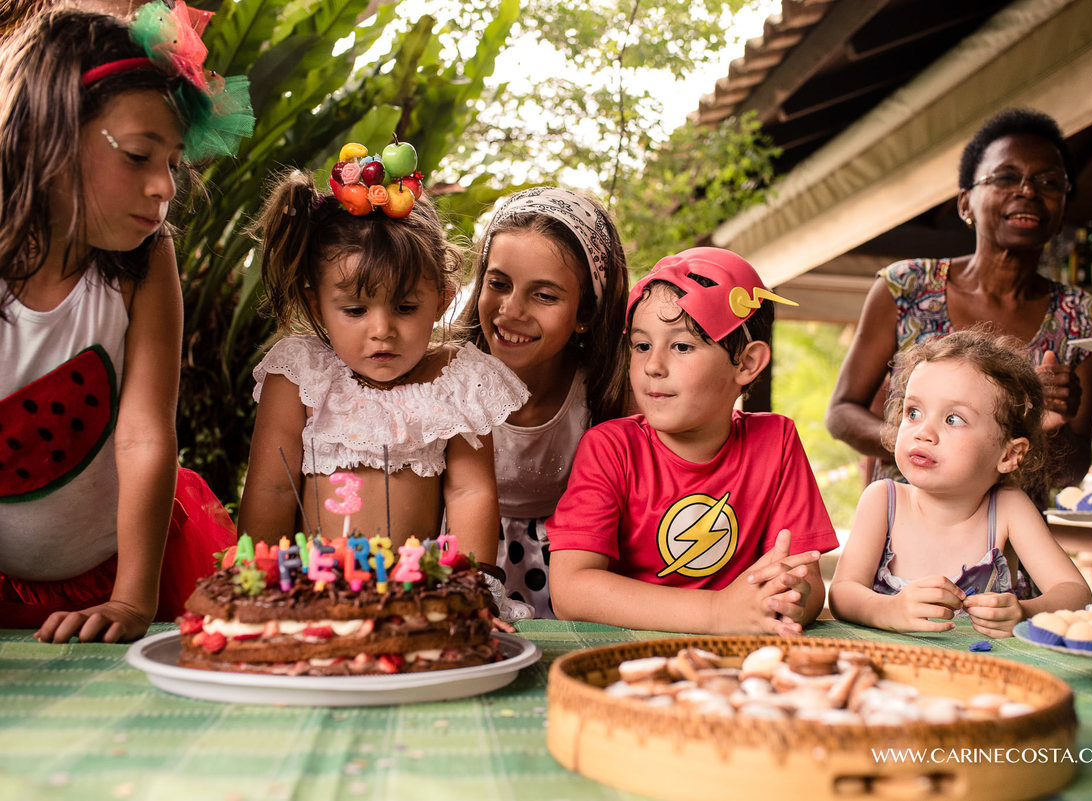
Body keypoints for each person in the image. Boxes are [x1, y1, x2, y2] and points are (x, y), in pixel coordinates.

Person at [0, 4, 253, 641]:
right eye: (140, 156)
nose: (165, 187)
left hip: (126, 569)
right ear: (45, 135)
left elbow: (144, 435)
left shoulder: (147, 257)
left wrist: (132, 602)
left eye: (171, 161)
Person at [237, 145, 529, 587]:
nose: (382, 330)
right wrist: (252, 583)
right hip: (314, 593)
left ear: (441, 300)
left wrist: (475, 585)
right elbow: (272, 488)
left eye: (406, 307)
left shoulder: (460, 382)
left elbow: (471, 492)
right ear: (317, 304)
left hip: (418, 596)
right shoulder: (299, 376)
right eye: (355, 310)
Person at [826, 108, 1092, 500]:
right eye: (1006, 177)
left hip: (1010, 546)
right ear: (965, 204)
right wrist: (921, 442)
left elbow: (1073, 470)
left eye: (1049, 182)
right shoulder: (905, 288)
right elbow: (842, 412)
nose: (1028, 190)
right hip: (904, 538)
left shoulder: (1083, 319)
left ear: (1062, 211)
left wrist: (1052, 426)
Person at [547, 247, 839, 634]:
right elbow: (570, 591)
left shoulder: (777, 442)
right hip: (627, 653)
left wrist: (789, 597)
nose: (653, 366)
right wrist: (717, 611)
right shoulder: (610, 449)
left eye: (682, 346)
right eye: (641, 345)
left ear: (747, 364)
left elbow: (809, 584)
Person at [828, 330, 1092, 637]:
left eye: (953, 419)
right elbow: (842, 593)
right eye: (913, 412)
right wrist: (890, 610)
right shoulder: (883, 500)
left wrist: (1024, 611)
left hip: (984, 674)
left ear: (1009, 454)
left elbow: (1077, 594)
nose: (923, 432)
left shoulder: (1007, 508)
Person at [456, 187, 630, 617]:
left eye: (544, 295)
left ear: (586, 313)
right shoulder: (445, 380)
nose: (511, 310)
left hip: (573, 570)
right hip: (462, 563)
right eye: (498, 284)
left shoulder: (607, 389)